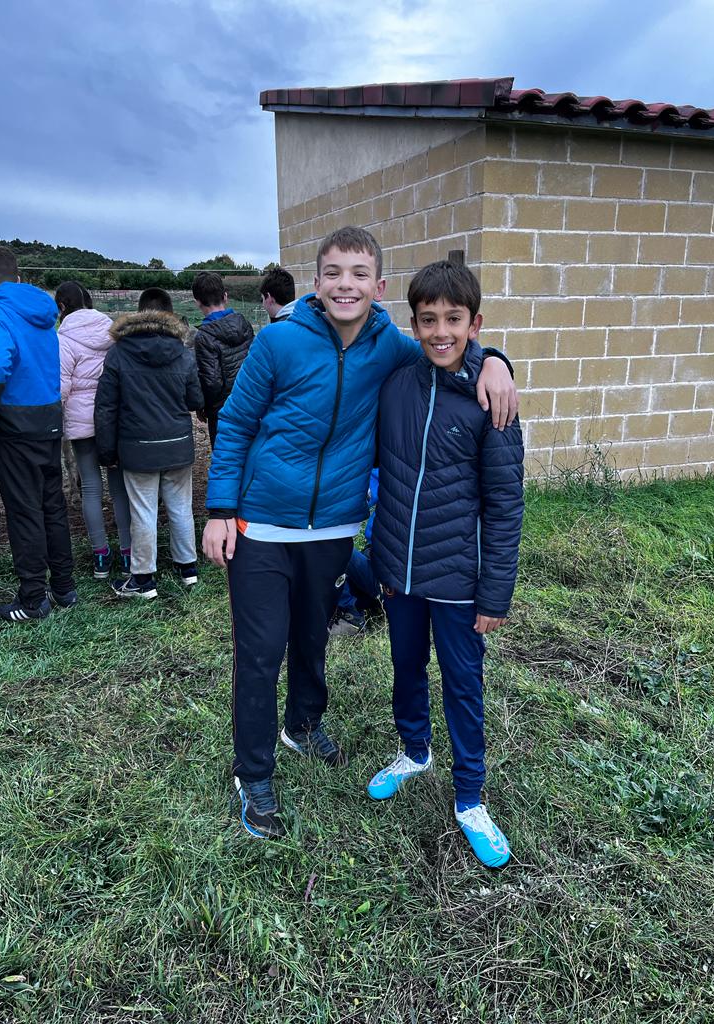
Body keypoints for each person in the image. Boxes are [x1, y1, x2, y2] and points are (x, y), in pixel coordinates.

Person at [202, 226, 518, 840]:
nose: (345, 285)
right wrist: (219, 510)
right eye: (333, 273)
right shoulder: (277, 342)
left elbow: (448, 343)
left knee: (312, 637)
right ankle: (254, 774)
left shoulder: (390, 346)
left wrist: (497, 362)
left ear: (378, 287)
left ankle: (302, 725)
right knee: (261, 652)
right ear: (317, 282)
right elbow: (235, 422)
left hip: (333, 528)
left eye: (359, 274)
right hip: (261, 523)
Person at [368, 260, 524, 870]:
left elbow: (505, 505)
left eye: (453, 320)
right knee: (406, 665)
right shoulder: (397, 383)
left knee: (463, 684)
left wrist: (495, 593)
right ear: (414, 323)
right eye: (428, 319)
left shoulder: (491, 399)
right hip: (399, 571)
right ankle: (414, 750)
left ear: (474, 324)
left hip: (460, 577)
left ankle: (470, 798)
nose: (440, 332)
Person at [0, 244, 76, 621]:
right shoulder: (42, 311)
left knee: (24, 509)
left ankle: (33, 599)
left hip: (15, 423)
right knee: (52, 505)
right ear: (16, 276)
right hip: (49, 416)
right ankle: (64, 587)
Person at [94, 288, 204, 599]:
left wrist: (106, 451)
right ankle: (188, 569)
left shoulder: (118, 352)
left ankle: (143, 580)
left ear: (139, 312)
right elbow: (195, 400)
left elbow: (105, 407)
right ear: (170, 314)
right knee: (181, 507)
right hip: (178, 443)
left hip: (137, 446)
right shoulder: (182, 351)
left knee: (143, 511)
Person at [56, 281, 132, 579]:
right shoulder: (112, 331)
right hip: (113, 419)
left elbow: (61, 388)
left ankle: (101, 556)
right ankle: (128, 554)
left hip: (81, 423)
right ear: (89, 302)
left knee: (90, 486)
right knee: (119, 487)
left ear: (62, 307)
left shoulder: (63, 339)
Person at [191, 272, 253, 450]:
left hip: (222, 411)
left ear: (197, 302)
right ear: (225, 296)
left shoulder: (204, 337)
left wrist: (203, 406)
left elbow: (211, 382)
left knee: (225, 456)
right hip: (250, 401)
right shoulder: (245, 324)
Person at [328, 468, 381, 636]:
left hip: (393, 571)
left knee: (330, 543)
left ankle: (350, 616)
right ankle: (363, 604)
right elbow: (360, 496)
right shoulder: (389, 465)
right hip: (372, 559)